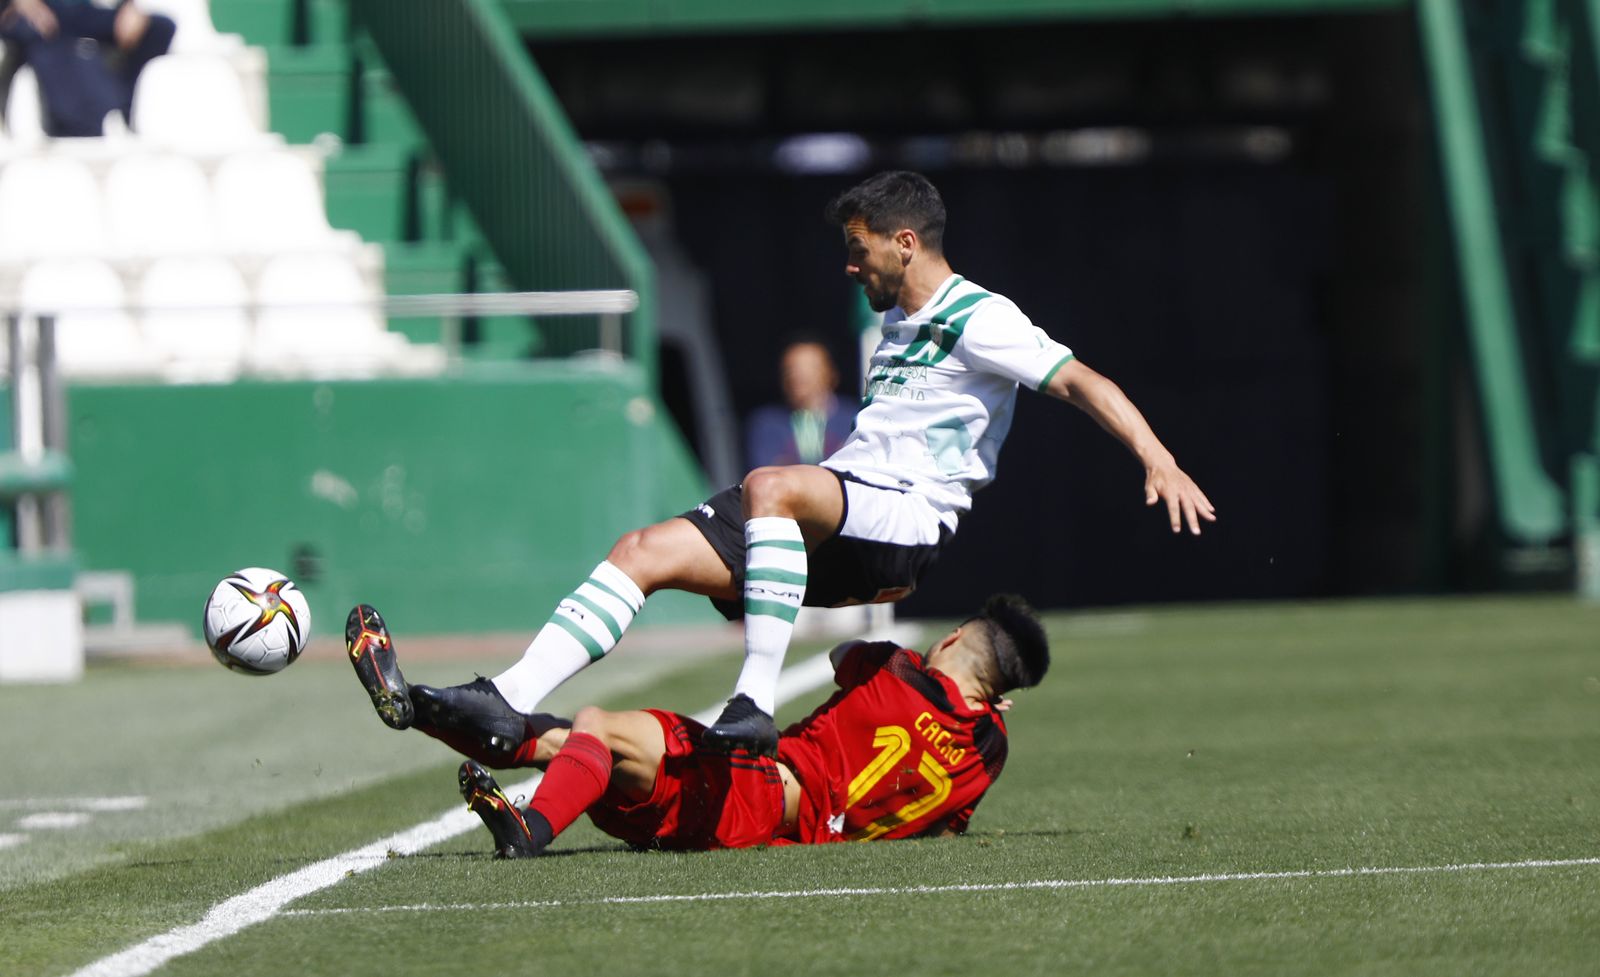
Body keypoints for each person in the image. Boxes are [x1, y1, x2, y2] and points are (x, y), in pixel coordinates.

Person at [349, 170, 1213, 763]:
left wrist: (1158, 456)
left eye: (861, 244)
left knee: (772, 484)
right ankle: (506, 697)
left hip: (902, 520)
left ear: (905, 243)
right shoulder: (894, 322)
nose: (850, 259)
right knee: (641, 550)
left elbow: (1081, 379)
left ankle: (750, 703)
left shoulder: (979, 316)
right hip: (843, 506)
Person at [444, 592, 1044, 856]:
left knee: (595, 725)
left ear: (955, 637)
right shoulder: (990, 750)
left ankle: (531, 828)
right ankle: (426, 710)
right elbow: (943, 835)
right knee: (574, 742)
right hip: (778, 828)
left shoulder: (899, 668)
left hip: (754, 787)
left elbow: (841, 660)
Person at [0, 0, 173, 137]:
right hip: (26, 13)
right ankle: (75, 125)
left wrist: (129, 6)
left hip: (81, 11)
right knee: (43, 36)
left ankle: (120, 109)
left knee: (159, 28)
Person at [745, 338, 856, 469]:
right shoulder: (767, 423)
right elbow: (768, 471)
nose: (798, 378)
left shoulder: (854, 418)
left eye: (809, 369)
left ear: (832, 374)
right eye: (790, 371)